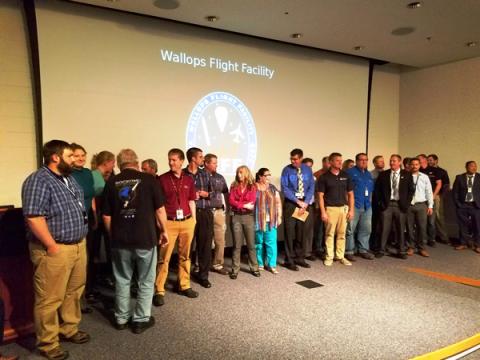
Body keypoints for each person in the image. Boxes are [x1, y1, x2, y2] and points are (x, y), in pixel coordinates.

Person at [22, 140, 90, 360]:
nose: (75, 160)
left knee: (74, 291)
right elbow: (33, 217)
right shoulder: (38, 180)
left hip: (78, 245)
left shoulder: (68, 178)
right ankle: (48, 343)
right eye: (70, 156)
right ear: (55, 157)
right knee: (50, 299)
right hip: (55, 249)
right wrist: (51, 245)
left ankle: (68, 328)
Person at [103, 149, 168, 334]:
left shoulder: (111, 182)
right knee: (146, 280)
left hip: (120, 241)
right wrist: (164, 231)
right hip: (146, 239)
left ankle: (121, 318)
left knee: (122, 280)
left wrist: (112, 235)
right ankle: (140, 320)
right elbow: (160, 211)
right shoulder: (149, 180)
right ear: (137, 162)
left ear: (119, 164)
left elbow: (106, 216)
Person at [154, 149, 198, 305]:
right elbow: (158, 205)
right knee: (164, 257)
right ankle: (159, 289)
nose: (170, 162)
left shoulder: (188, 180)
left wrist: (194, 219)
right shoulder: (162, 179)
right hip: (169, 222)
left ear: (181, 161)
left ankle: (184, 285)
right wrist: (162, 226)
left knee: (185, 256)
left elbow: (192, 200)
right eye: (169, 160)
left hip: (187, 222)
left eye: (174, 160)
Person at [70, 143, 97, 311]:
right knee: (74, 263)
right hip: (73, 223)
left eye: (82, 155)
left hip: (88, 220)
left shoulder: (88, 173)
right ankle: (73, 302)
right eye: (76, 155)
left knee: (86, 261)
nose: (80, 158)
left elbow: (91, 196)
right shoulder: (67, 174)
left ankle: (83, 296)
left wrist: (95, 216)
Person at [374, 154, 415, 259]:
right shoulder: (384, 174)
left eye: (394, 161)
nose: (392, 163)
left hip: (400, 205)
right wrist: (380, 203)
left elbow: (411, 190)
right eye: (391, 161)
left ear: (400, 162)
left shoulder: (407, 174)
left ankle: (401, 251)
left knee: (400, 229)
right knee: (384, 228)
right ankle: (381, 250)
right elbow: (377, 190)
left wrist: (406, 204)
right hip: (387, 205)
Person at [280, 149, 315, 270]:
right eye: (291, 158)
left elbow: (311, 186)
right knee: (290, 232)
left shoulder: (307, 169)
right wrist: (297, 201)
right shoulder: (286, 170)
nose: (293, 161)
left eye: (295, 159)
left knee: (301, 231)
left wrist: (306, 202)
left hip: (304, 204)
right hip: (292, 204)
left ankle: (299, 257)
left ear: (300, 158)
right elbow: (285, 188)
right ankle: (289, 260)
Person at [317, 152, 355, 266]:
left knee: (342, 234)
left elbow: (351, 194)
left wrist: (351, 210)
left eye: (341, 160)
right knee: (329, 234)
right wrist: (323, 212)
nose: (340, 162)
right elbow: (320, 196)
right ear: (331, 162)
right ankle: (329, 256)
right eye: (337, 160)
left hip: (343, 208)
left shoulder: (346, 175)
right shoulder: (324, 177)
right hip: (330, 209)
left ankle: (340, 256)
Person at [184, 147, 213, 288]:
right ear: (193, 159)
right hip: (187, 214)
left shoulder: (206, 175)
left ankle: (203, 276)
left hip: (205, 212)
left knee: (205, 246)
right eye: (201, 157)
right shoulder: (183, 174)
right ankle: (183, 278)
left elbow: (213, 193)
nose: (203, 159)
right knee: (187, 247)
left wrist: (206, 194)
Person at [229, 165, 260, 279]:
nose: (239, 175)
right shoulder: (233, 185)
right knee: (237, 245)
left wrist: (240, 204)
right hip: (236, 216)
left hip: (248, 217)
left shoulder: (252, 186)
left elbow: (251, 204)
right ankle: (235, 269)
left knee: (251, 244)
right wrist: (242, 205)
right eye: (238, 172)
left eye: (241, 172)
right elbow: (231, 201)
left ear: (246, 173)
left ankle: (254, 267)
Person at [345, 153, 375, 261]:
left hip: (367, 206)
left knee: (366, 229)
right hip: (354, 205)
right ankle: (349, 250)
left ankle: (363, 250)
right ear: (356, 161)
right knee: (350, 229)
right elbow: (346, 191)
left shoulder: (368, 174)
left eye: (366, 160)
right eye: (361, 160)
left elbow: (371, 190)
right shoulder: (349, 173)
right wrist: (348, 206)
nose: (364, 162)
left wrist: (370, 202)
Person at [204, 153, 229, 275]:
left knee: (220, 240)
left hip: (219, 212)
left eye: (216, 162)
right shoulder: (200, 176)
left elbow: (225, 192)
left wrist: (225, 208)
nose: (216, 165)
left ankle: (218, 264)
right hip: (205, 211)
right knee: (204, 240)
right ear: (206, 163)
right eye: (214, 163)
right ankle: (200, 265)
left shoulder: (220, 177)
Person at [254, 168, 282, 274]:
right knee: (258, 243)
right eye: (266, 175)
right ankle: (260, 263)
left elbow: (278, 203)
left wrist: (279, 216)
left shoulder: (272, 188)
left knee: (271, 243)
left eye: (269, 175)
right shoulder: (253, 187)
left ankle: (271, 265)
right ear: (260, 176)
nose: (268, 177)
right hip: (257, 220)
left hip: (270, 220)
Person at [406, 158, 433, 257]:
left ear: (419, 165)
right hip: (409, 205)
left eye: (416, 164)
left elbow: (429, 191)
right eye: (412, 164)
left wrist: (430, 205)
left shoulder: (424, 177)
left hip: (421, 205)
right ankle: (411, 247)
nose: (414, 166)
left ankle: (422, 248)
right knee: (409, 227)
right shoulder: (405, 176)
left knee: (422, 227)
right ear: (409, 165)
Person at [452, 161, 480, 253]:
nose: (474, 168)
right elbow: (455, 192)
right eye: (472, 166)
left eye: (475, 166)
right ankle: (463, 243)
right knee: (462, 225)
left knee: (477, 225)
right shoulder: (459, 177)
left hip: (476, 206)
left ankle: (477, 244)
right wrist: (458, 204)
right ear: (466, 167)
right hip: (463, 205)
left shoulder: (479, 177)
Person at [418, 154, 442, 247]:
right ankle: (422, 239)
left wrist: (433, 196)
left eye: (419, 159)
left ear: (424, 159)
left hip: (432, 197)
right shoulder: (418, 170)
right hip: (421, 199)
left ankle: (432, 239)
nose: (417, 161)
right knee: (421, 221)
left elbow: (439, 184)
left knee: (431, 221)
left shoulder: (435, 170)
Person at [427, 154, 451, 244]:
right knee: (426, 217)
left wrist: (441, 196)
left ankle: (444, 237)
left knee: (438, 216)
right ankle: (428, 237)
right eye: (428, 160)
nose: (429, 162)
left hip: (436, 196)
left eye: (431, 160)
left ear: (436, 160)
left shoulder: (442, 171)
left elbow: (446, 185)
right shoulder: (425, 170)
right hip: (424, 196)